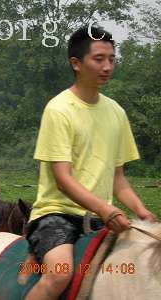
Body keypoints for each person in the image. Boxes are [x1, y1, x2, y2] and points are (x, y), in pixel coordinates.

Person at [24, 26, 157, 300]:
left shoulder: (116, 112)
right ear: (76, 63)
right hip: (56, 216)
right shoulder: (59, 109)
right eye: (98, 59)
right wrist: (106, 209)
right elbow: (63, 179)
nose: (107, 66)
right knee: (59, 274)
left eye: (111, 59)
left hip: (99, 219)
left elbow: (118, 179)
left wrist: (142, 212)